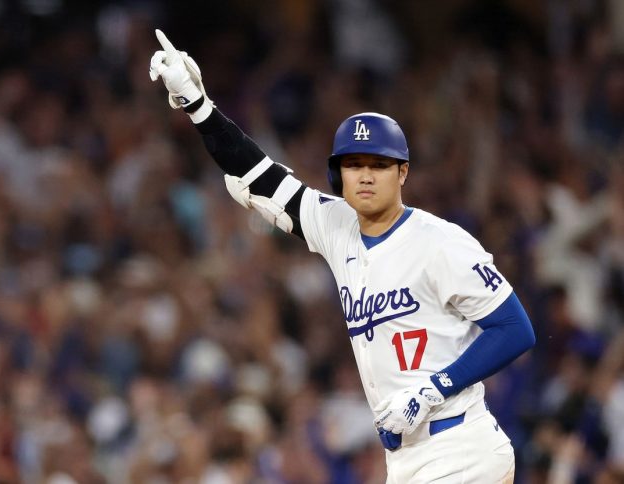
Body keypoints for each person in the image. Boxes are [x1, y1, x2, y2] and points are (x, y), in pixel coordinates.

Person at [149, 30, 536, 483]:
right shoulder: (336, 227)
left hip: (460, 447)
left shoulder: (439, 241)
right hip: (406, 459)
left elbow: (515, 329)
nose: (365, 176)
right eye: (354, 165)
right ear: (340, 174)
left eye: (379, 165)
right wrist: (197, 104)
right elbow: (256, 174)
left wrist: (434, 388)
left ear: (402, 172)